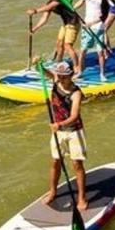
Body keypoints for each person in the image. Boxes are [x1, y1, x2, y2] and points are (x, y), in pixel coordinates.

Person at [43, 60, 87, 211]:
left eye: (64, 76)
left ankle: (81, 197)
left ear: (71, 75)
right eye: (59, 75)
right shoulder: (56, 81)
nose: (61, 79)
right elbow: (45, 73)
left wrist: (59, 124)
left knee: (77, 164)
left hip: (74, 131)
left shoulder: (76, 93)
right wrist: (39, 65)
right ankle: (53, 191)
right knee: (55, 162)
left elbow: (74, 116)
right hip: (59, 132)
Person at [27, 0, 82, 75]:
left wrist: (35, 11)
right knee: (59, 43)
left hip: (73, 23)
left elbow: (49, 7)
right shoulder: (49, 2)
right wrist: (34, 29)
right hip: (65, 24)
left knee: (67, 46)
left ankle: (76, 67)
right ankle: (58, 62)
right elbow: (44, 18)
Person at [78, 0, 110, 82]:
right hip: (86, 28)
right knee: (82, 51)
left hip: (98, 28)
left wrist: (91, 23)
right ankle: (80, 72)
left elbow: (104, 16)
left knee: (100, 53)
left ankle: (102, 74)